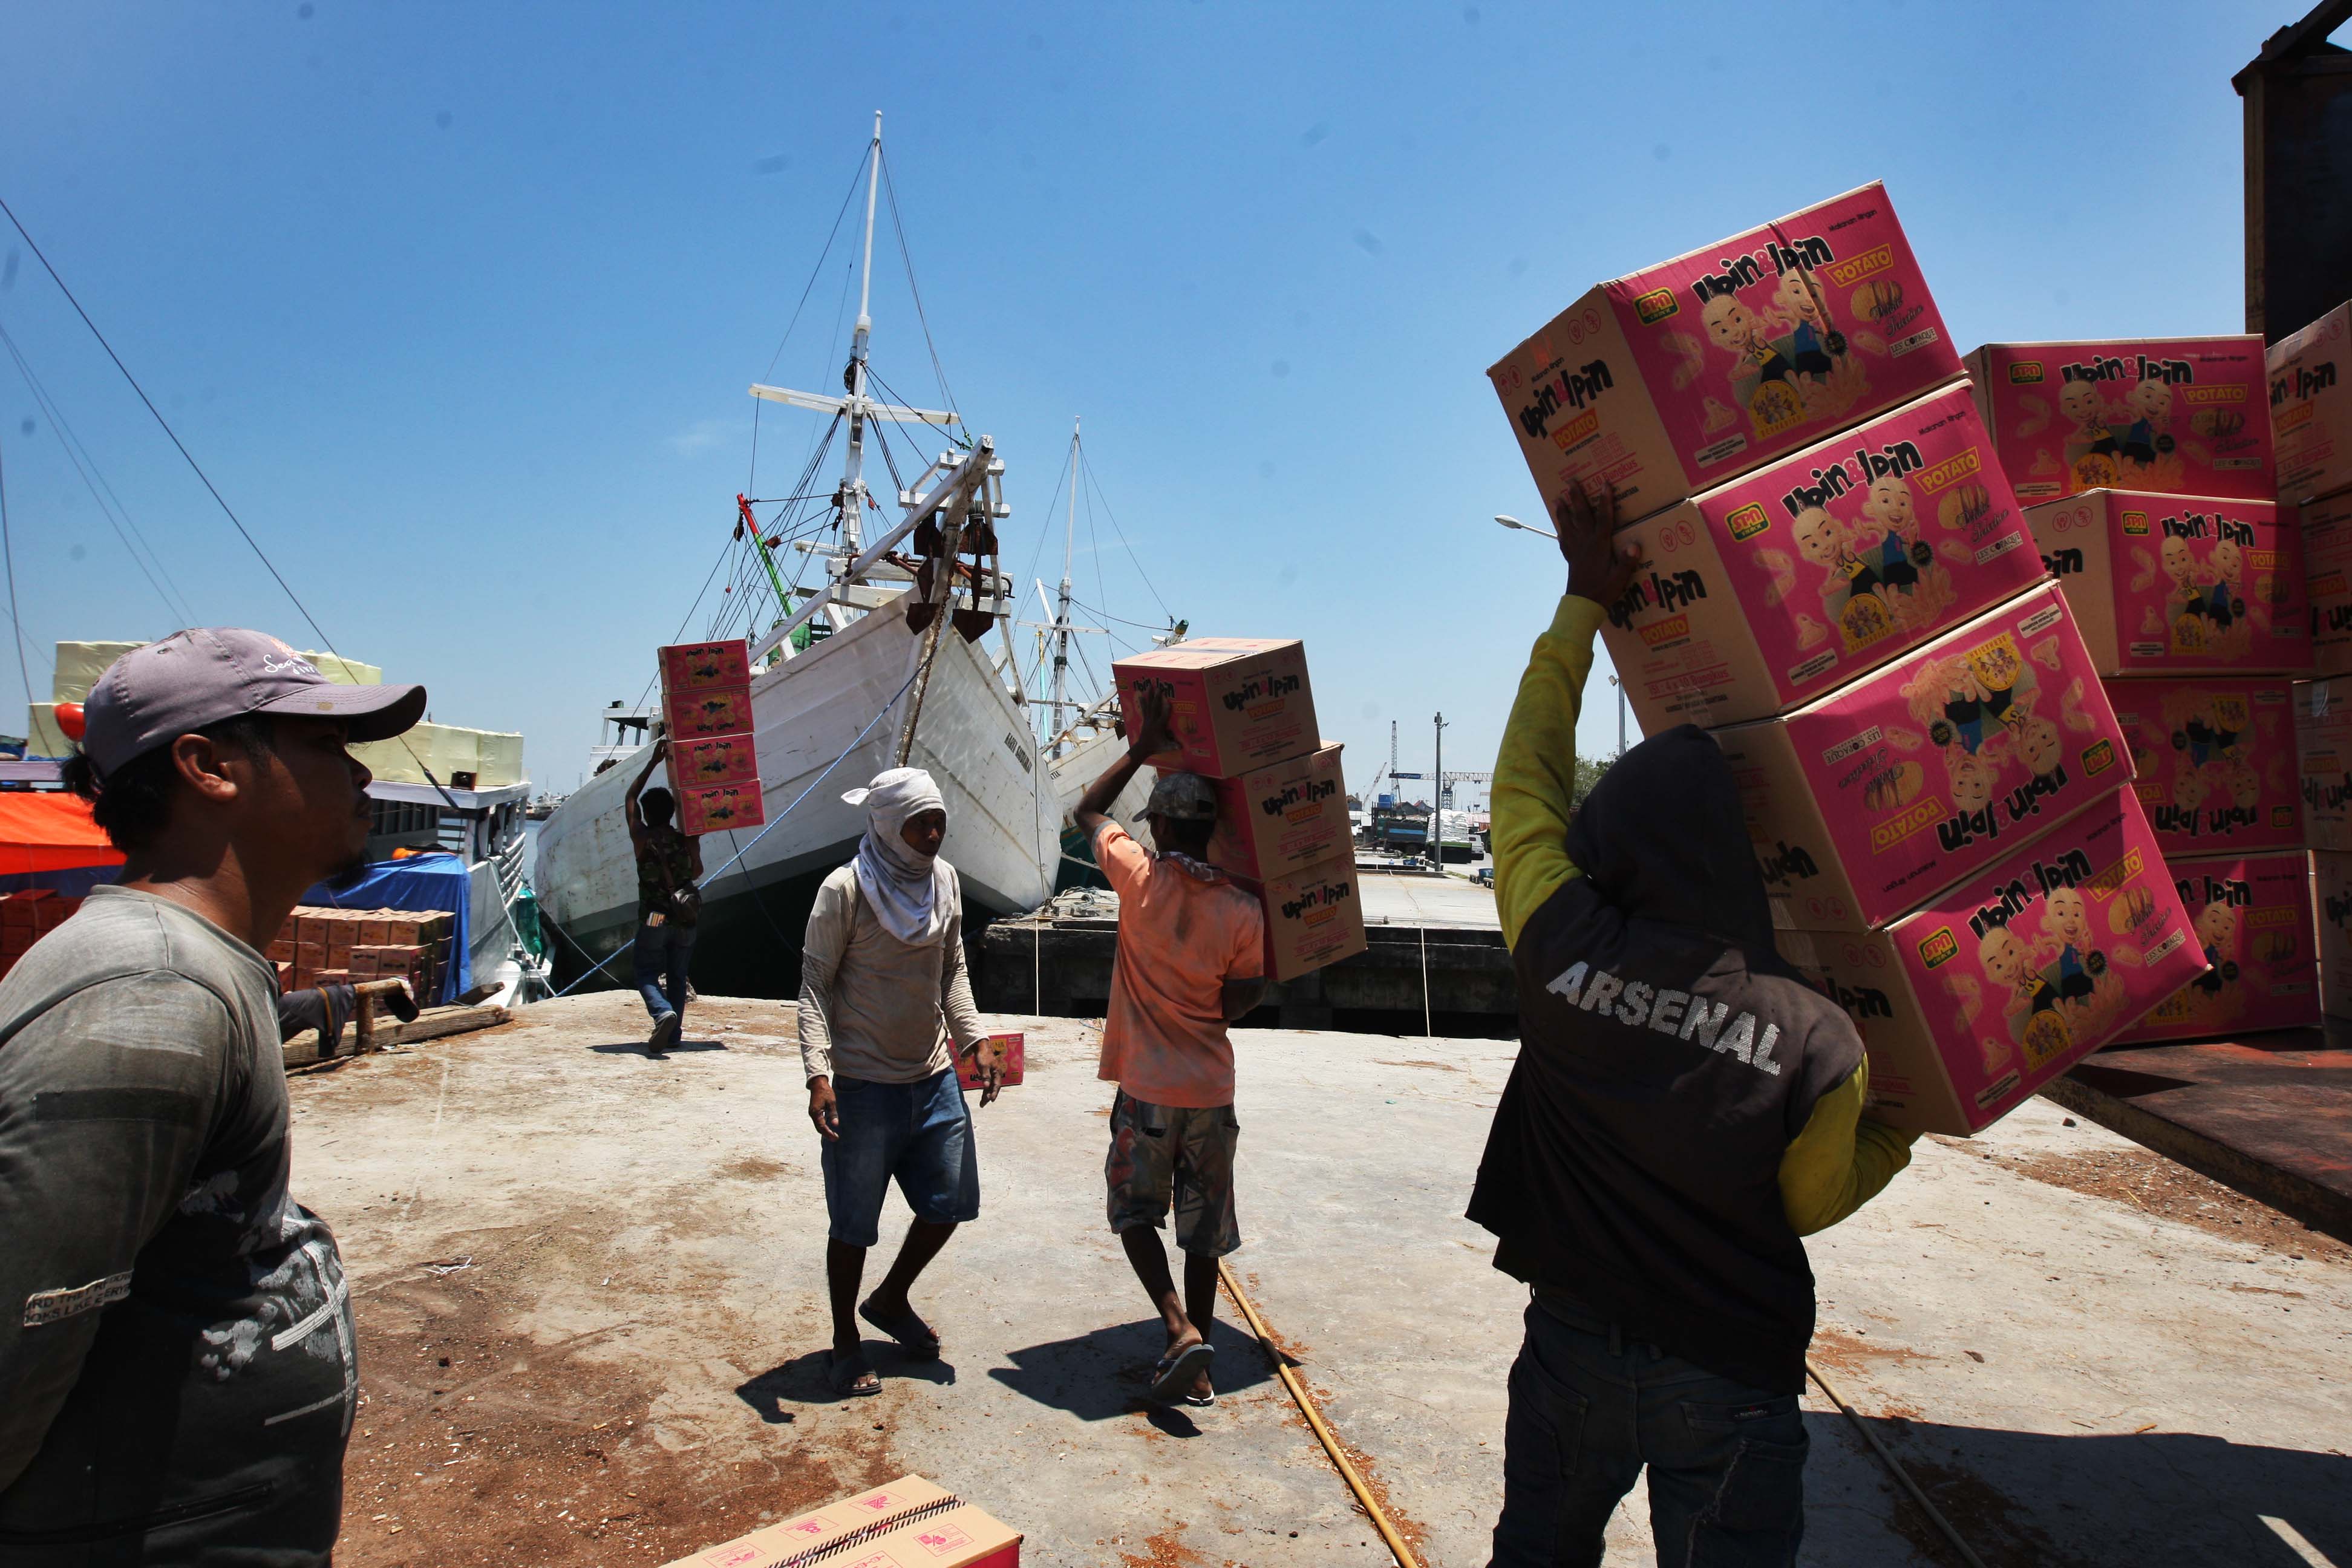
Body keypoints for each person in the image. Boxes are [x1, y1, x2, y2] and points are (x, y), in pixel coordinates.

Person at [1471, 486, 1919, 1567]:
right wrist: (1897, 1131)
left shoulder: (1562, 943)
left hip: (1571, 1340)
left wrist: (1581, 599)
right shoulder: (1816, 1039)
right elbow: (1807, 1200)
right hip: (1730, 1369)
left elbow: (1519, 786)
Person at [0, 629, 426, 1564]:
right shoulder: (151, 997)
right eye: (326, 746)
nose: (360, 776)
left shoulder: (195, 975)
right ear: (209, 767)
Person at [1071, 688, 1267, 1408]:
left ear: (1155, 825)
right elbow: (1242, 1000)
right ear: (1214, 832)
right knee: (1203, 1231)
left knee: (1134, 1212)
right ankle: (1203, 1369)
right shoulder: (1243, 909)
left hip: (1149, 1089)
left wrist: (1142, 745)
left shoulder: (1137, 877)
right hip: (1212, 1092)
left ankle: (1180, 1328)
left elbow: (1086, 812)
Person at [799, 768, 1004, 1398]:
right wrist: (818, 1074)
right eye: (922, 824)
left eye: (939, 821)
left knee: (951, 1204)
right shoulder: (844, 892)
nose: (935, 833)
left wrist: (972, 1038)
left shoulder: (944, 883)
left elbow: (953, 969)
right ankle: (844, 1342)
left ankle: (890, 1300)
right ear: (889, 826)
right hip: (863, 1086)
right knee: (854, 1225)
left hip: (934, 1077)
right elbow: (813, 986)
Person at [625, 736, 703, 1059]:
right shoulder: (687, 838)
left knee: (645, 971)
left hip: (655, 915)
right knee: (677, 975)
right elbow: (697, 871)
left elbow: (630, 797)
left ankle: (662, 1014)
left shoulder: (641, 837)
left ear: (646, 813)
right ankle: (674, 1035)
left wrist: (654, 762)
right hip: (686, 914)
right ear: (673, 813)